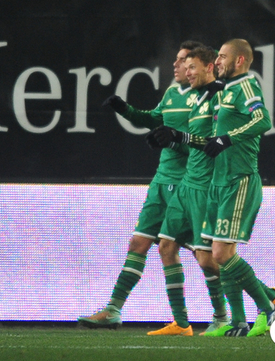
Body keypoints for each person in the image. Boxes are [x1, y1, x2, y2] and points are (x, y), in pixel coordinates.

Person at [153, 39, 275, 337]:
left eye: (222, 57)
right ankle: (240, 319)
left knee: (222, 255)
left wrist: (228, 138)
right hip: (218, 182)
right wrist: (180, 137)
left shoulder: (246, 86)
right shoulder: (223, 94)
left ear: (239, 61)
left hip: (239, 180)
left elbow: (263, 120)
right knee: (215, 256)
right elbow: (212, 142)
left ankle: (269, 307)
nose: (218, 61)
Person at [77, 40, 203, 330]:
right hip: (162, 182)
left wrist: (175, 140)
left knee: (208, 256)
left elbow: (204, 146)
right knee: (140, 243)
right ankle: (115, 310)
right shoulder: (172, 93)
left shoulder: (205, 100)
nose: (176, 64)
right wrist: (125, 109)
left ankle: (263, 299)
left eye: (183, 60)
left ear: (197, 65)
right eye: (177, 59)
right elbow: (154, 119)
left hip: (188, 185)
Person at [145, 46, 228, 336]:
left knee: (208, 259)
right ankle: (181, 323)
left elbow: (218, 141)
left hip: (205, 186)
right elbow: (193, 140)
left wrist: (179, 136)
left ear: (209, 67)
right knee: (166, 246)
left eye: (191, 66)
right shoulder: (197, 97)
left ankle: (254, 302)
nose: (185, 71)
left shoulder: (221, 96)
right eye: (185, 65)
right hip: (186, 183)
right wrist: (171, 140)